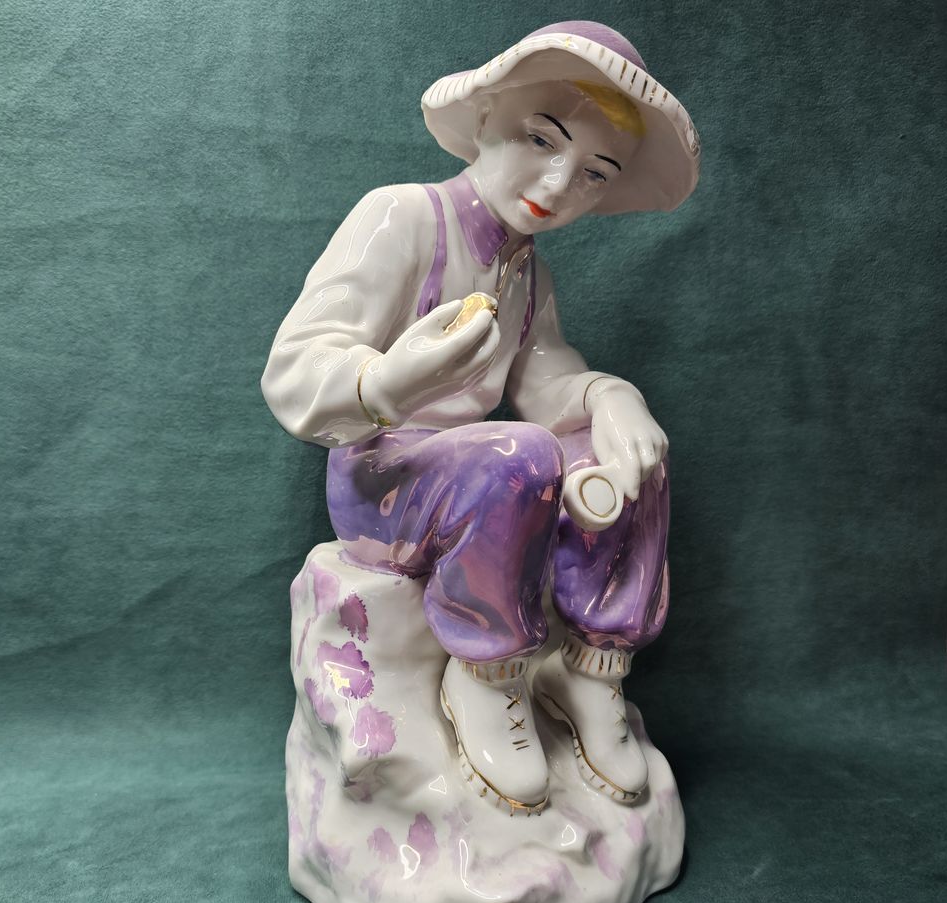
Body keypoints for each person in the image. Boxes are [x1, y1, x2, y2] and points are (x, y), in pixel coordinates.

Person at [262, 21, 700, 816]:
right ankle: (486, 674)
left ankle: (592, 668)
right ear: (488, 114)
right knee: (519, 454)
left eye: (594, 174)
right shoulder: (403, 216)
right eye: (542, 139)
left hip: (480, 473)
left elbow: (548, 379)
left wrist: (609, 398)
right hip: (383, 478)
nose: (559, 185)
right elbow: (294, 370)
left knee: (625, 451)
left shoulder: (527, 273)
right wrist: (386, 381)